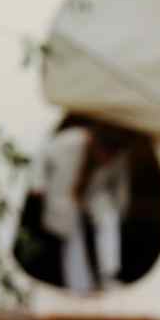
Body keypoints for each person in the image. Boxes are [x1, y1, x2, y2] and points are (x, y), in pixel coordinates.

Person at [36, 122, 130, 294]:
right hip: (63, 192)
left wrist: (120, 212)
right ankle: (80, 286)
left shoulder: (118, 156)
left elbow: (121, 188)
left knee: (108, 216)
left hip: (93, 193)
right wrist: (38, 184)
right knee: (72, 234)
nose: (107, 160)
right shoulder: (69, 141)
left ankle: (109, 275)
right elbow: (41, 157)